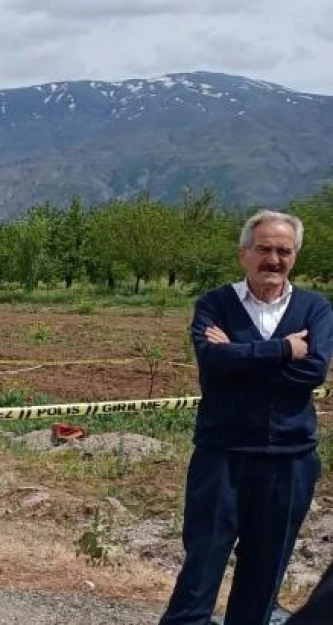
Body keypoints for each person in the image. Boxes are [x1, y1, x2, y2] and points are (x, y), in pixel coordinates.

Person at [159, 210, 333, 625]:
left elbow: (312, 372)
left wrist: (237, 355)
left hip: (290, 461)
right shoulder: (215, 303)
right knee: (201, 569)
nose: (274, 259)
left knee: (264, 574)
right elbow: (212, 366)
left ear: (294, 256)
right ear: (243, 254)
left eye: (284, 251)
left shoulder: (314, 308)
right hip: (222, 457)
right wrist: (281, 351)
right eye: (264, 249)